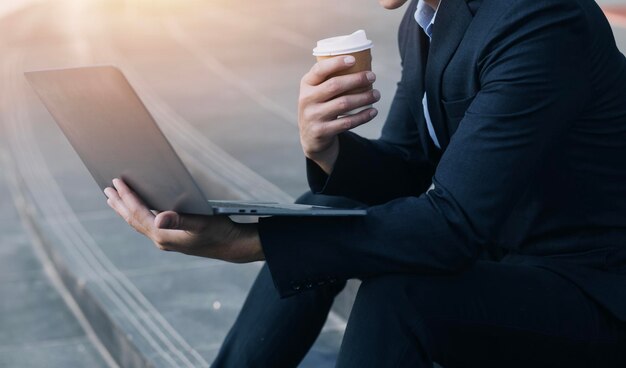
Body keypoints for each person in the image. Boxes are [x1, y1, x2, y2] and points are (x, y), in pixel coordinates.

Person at [104, 0, 626, 366]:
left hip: (590, 289)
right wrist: (326, 149)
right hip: (504, 253)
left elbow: (451, 226)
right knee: (319, 207)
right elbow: (407, 164)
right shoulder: (426, 19)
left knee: (399, 298)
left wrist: (250, 242)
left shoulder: (537, 17)